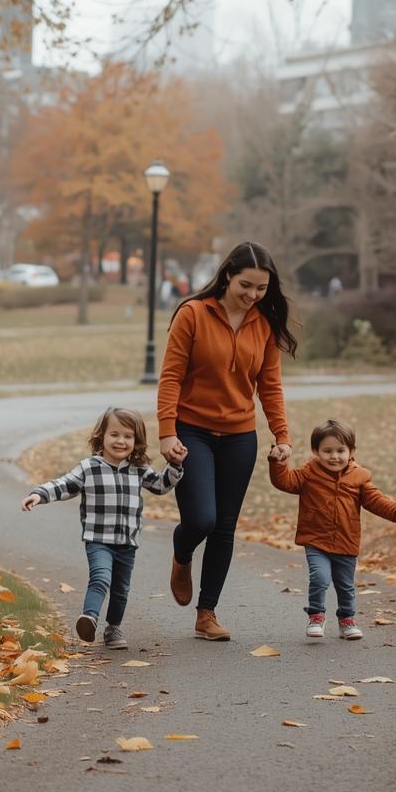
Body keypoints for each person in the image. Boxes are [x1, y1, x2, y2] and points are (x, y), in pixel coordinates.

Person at [158, 241, 296, 641]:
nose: (253, 295)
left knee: (224, 527)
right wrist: (167, 432)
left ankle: (206, 614)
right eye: (246, 286)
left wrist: (282, 435)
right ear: (227, 277)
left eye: (261, 288)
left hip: (239, 436)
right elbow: (170, 377)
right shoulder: (193, 315)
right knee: (201, 519)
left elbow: (270, 386)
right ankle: (182, 553)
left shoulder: (263, 325)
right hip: (192, 431)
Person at [22, 407, 183, 650]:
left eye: (128, 436)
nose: (121, 441)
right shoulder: (89, 467)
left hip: (127, 542)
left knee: (121, 590)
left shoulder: (138, 469)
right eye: (115, 434)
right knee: (100, 577)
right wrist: (39, 494)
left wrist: (175, 465)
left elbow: (161, 485)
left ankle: (113, 628)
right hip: (98, 540)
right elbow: (64, 484)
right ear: (102, 436)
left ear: (136, 441)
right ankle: (89, 618)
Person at [267, 419, 396, 640]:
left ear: (351, 451)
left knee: (345, 586)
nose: (334, 456)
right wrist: (277, 463)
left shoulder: (360, 477)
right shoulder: (308, 474)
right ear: (316, 451)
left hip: (346, 541)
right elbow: (285, 482)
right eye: (327, 451)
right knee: (320, 577)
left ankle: (347, 620)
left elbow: (375, 500)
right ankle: (316, 616)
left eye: (340, 450)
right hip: (316, 540)